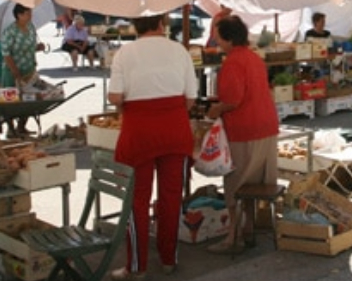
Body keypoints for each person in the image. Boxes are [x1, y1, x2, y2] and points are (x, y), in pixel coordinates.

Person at [106, 14, 197, 280]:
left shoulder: (125, 52)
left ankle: (137, 267)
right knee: (171, 199)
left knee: (137, 201)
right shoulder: (179, 50)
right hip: (175, 132)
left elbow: (115, 96)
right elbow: (190, 99)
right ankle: (168, 259)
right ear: (161, 25)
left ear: (136, 27)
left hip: (139, 133)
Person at [204, 15, 280, 255]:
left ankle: (232, 236)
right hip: (266, 125)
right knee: (254, 183)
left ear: (228, 39)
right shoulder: (254, 58)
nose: (216, 40)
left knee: (236, 184)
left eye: (218, 36)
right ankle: (248, 228)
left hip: (245, 130)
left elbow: (233, 100)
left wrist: (217, 108)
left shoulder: (233, 62)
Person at [0, 3, 42, 134]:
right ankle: (11, 128)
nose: (30, 16)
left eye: (30, 13)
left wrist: (38, 47)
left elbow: (31, 46)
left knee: (29, 100)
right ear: (19, 15)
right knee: (10, 100)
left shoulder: (31, 27)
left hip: (29, 68)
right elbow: (6, 54)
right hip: (12, 70)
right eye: (27, 13)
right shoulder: (10, 31)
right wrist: (15, 72)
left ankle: (22, 126)